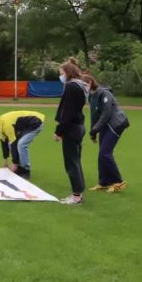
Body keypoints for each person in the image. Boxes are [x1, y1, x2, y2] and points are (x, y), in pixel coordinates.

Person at [82, 74, 130, 193]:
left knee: (105, 153)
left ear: (90, 83)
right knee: (102, 154)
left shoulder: (104, 93)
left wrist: (95, 129)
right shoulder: (91, 96)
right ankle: (104, 182)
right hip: (105, 126)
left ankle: (118, 182)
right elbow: (94, 115)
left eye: (84, 85)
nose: (83, 87)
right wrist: (93, 132)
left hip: (116, 124)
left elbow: (106, 113)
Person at [54, 57, 89, 205]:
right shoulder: (81, 85)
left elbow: (68, 112)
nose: (60, 76)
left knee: (71, 162)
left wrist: (59, 131)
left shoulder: (72, 87)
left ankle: (77, 196)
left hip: (71, 128)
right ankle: (78, 191)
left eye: (61, 73)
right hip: (78, 126)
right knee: (76, 160)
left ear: (67, 73)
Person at [0, 110, 45, 179]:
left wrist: (14, 163)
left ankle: (26, 170)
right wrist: (5, 161)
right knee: (11, 144)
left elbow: (14, 143)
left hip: (35, 122)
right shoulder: (0, 125)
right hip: (26, 126)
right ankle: (19, 168)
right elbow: (4, 143)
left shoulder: (6, 126)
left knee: (21, 144)